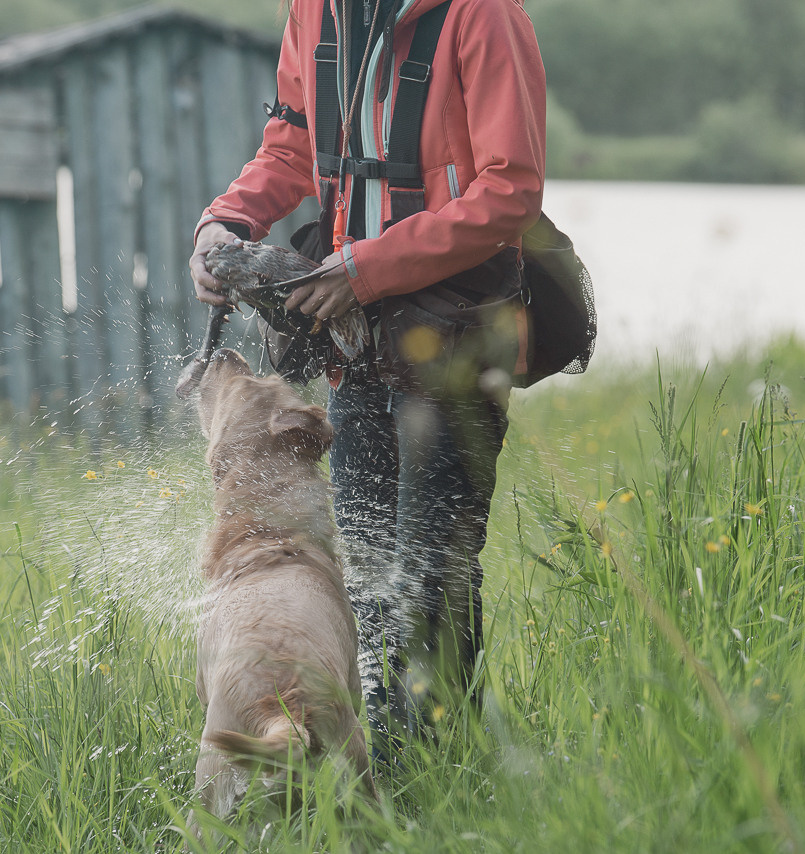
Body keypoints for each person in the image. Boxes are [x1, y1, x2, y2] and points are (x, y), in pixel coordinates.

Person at [188, 0, 546, 759]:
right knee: (373, 571)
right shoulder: (313, 10)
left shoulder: (483, 15)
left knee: (430, 572)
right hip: (353, 341)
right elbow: (289, 149)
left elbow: (511, 188)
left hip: (459, 337)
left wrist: (365, 268)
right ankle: (377, 763)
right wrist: (227, 223)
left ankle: (432, 768)